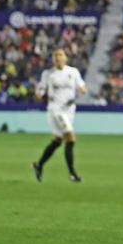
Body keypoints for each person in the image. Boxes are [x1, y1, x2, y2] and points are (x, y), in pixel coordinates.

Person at [32, 48, 87, 183]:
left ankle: (39, 165)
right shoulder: (48, 74)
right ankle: (72, 173)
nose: (58, 57)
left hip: (69, 110)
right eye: (55, 55)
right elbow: (41, 88)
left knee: (57, 141)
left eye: (61, 54)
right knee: (70, 138)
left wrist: (82, 89)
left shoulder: (73, 72)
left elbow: (81, 86)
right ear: (52, 59)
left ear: (66, 58)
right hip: (56, 110)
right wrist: (39, 94)